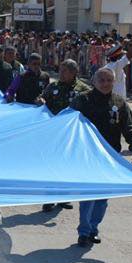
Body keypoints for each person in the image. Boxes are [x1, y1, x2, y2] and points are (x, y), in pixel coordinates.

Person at [69, 68, 132, 247]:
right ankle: (84, 231)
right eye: (101, 79)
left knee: (102, 197)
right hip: (87, 155)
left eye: (109, 80)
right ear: (94, 81)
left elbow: (130, 127)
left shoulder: (119, 102)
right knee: (89, 194)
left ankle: (94, 228)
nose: (105, 83)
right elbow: (68, 122)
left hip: (110, 157)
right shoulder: (83, 99)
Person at [40, 59, 90, 212]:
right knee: (52, 164)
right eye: (60, 70)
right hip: (54, 133)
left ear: (74, 72)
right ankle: (49, 198)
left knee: (68, 164)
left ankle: (63, 197)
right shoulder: (53, 86)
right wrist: (41, 100)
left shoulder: (83, 89)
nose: (60, 74)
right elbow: (43, 98)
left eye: (64, 71)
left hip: (72, 134)